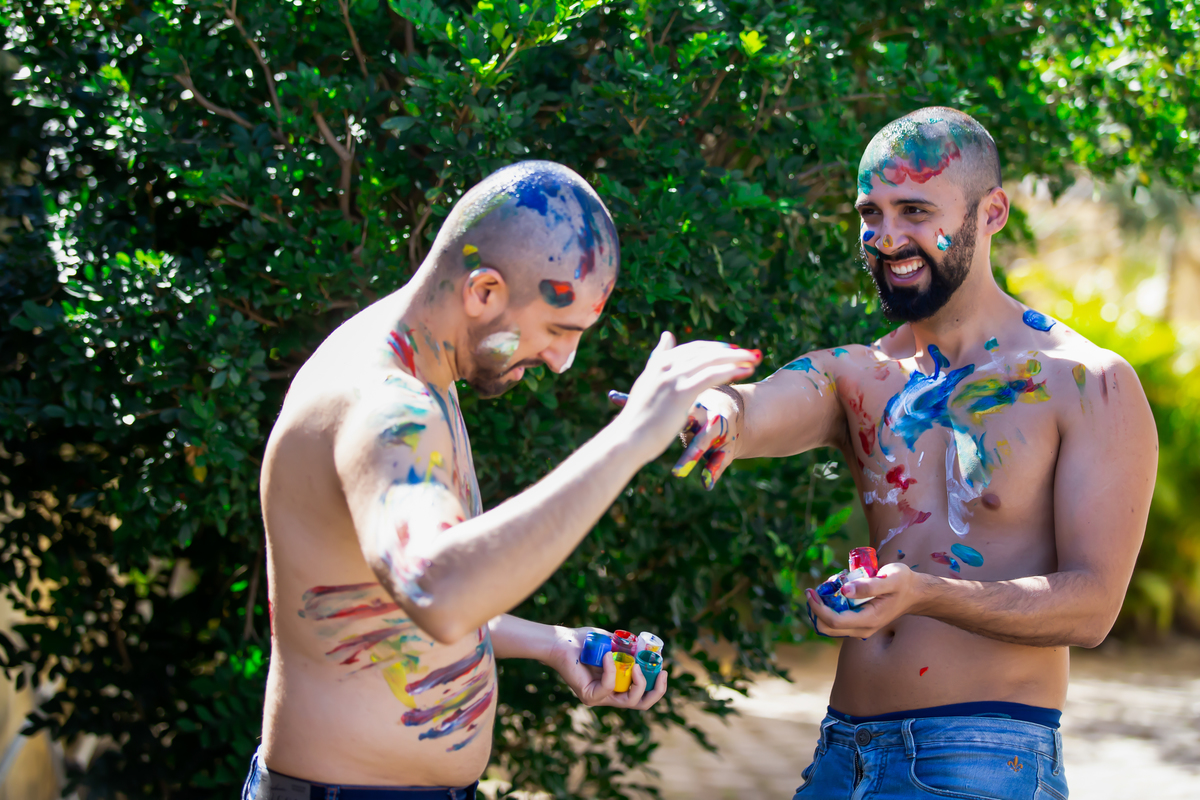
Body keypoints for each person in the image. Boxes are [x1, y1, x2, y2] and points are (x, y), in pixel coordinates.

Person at [674, 108, 1156, 799]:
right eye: (871, 213)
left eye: (915, 210)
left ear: (991, 213)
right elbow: (754, 410)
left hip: (983, 758)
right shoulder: (859, 374)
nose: (886, 238)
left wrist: (923, 594)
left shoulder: (1084, 383)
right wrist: (716, 409)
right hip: (843, 753)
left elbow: (1092, 606)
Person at [243, 161, 762, 797]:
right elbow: (438, 592)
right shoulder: (384, 405)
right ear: (483, 292)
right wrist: (631, 440)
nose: (561, 361)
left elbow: (385, 599)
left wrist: (553, 643)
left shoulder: (422, 372)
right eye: (556, 330)